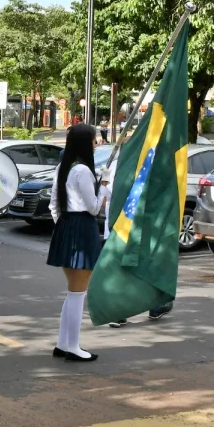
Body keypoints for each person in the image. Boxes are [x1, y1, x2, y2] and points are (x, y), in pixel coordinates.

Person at [47, 124, 106, 362]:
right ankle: (72, 346)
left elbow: (53, 203)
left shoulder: (65, 166)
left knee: (73, 291)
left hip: (67, 224)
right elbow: (93, 208)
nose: (96, 144)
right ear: (86, 143)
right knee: (78, 292)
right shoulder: (82, 170)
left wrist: (65, 224)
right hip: (82, 226)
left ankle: (64, 343)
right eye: (94, 140)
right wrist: (103, 187)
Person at [103, 157, 173, 328]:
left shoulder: (116, 164)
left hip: (118, 226)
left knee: (122, 269)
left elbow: (108, 195)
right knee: (142, 267)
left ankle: (121, 312)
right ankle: (152, 307)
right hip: (135, 226)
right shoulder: (143, 162)